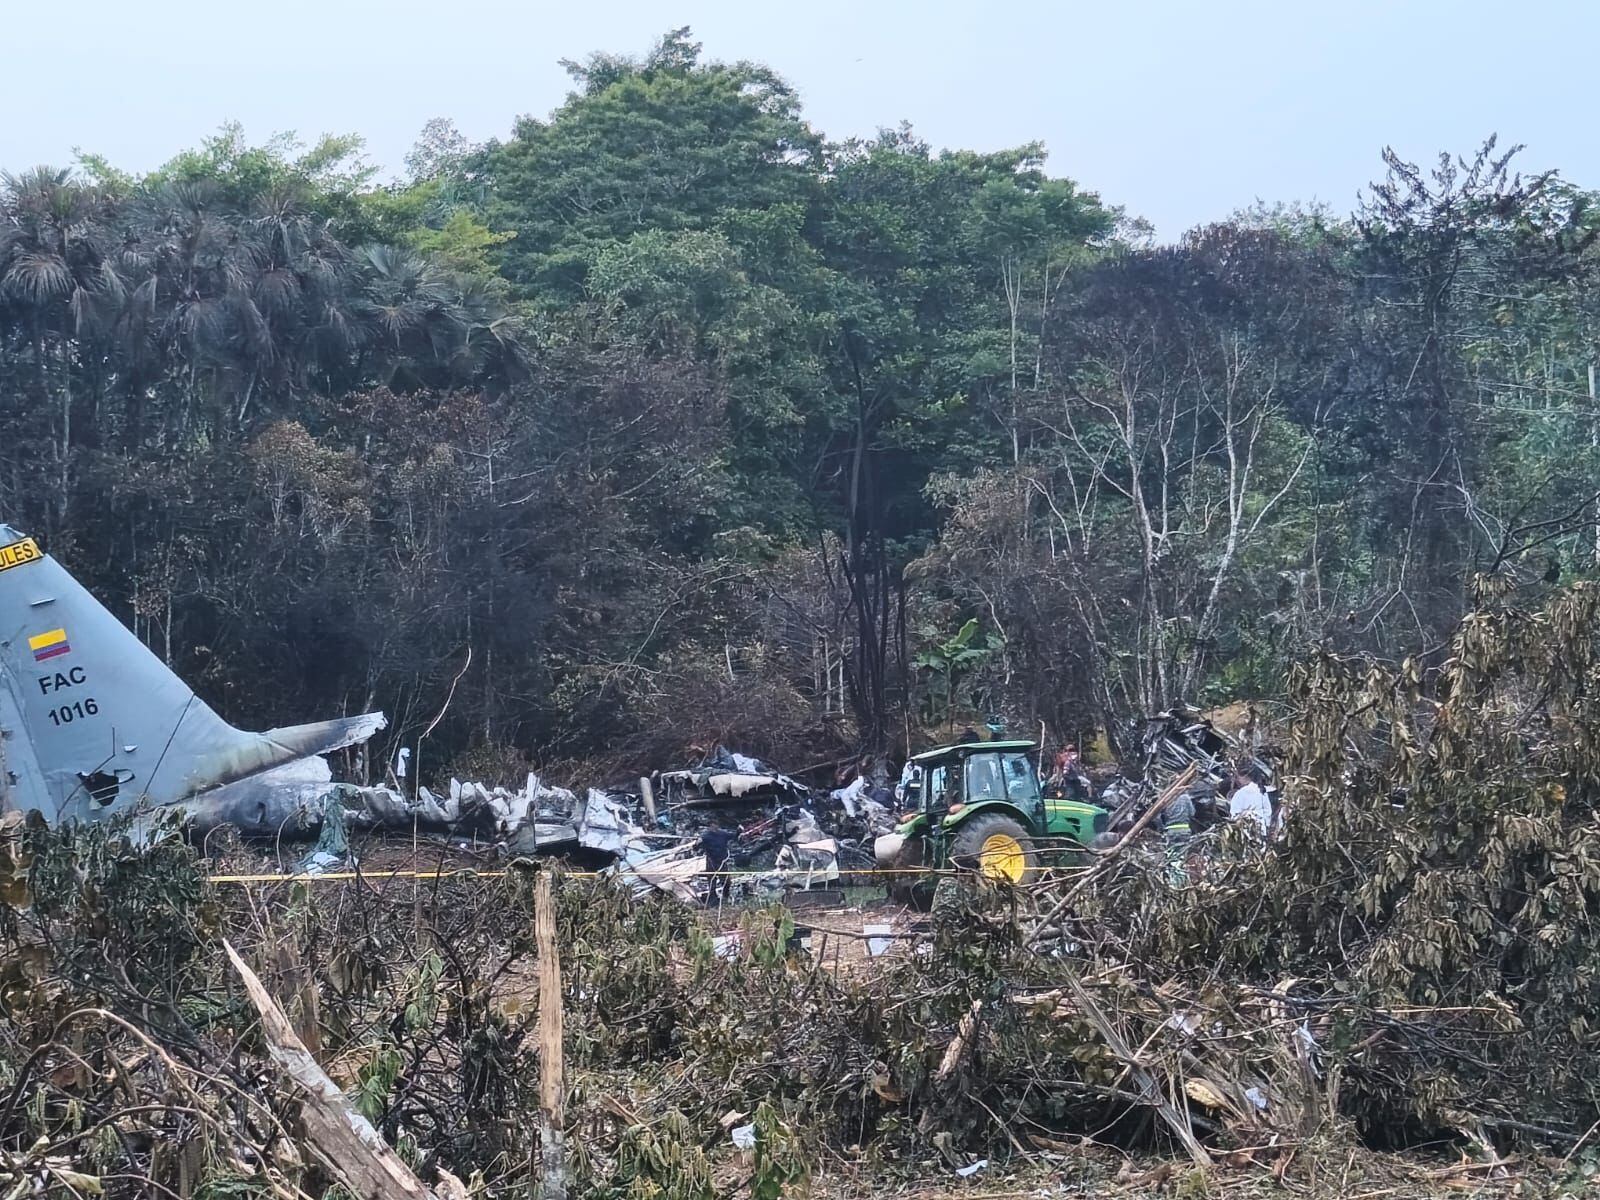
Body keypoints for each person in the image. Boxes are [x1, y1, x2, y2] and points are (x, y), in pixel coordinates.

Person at [1227, 770, 1272, 835]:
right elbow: (1268, 812)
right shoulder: (1262, 792)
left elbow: (1234, 816)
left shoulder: (1240, 794)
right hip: (1262, 829)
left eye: (1237, 777)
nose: (1237, 780)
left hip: (1246, 831)